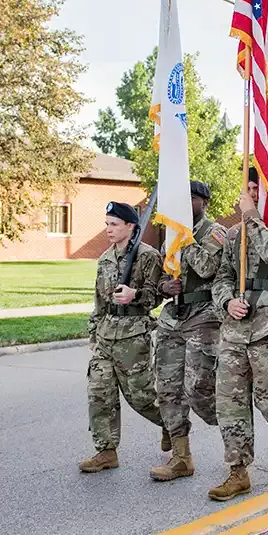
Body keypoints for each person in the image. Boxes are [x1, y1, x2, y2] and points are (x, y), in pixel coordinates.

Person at [209, 167, 268, 501]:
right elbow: (221, 277)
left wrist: (252, 217)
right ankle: (238, 471)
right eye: (247, 188)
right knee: (230, 402)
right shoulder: (234, 235)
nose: (249, 194)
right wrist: (226, 302)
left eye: (257, 188)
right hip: (236, 328)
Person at [79, 201, 166, 473]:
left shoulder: (147, 256)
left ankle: (172, 425)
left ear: (131, 226)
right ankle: (106, 451)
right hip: (106, 334)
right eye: (107, 224)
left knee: (141, 397)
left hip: (134, 333)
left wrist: (134, 295)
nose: (108, 229)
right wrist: (93, 333)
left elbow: (157, 295)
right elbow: (99, 301)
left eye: (114, 224)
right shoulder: (105, 259)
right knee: (99, 393)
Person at [151, 181, 227, 482]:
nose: (184, 204)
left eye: (191, 199)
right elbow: (159, 277)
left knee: (200, 390)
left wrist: (184, 238)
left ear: (204, 203)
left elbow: (207, 268)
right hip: (173, 317)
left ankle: (236, 426)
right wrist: (164, 287)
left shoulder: (216, 232)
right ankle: (181, 458)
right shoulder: (171, 232)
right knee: (167, 389)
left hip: (204, 316)